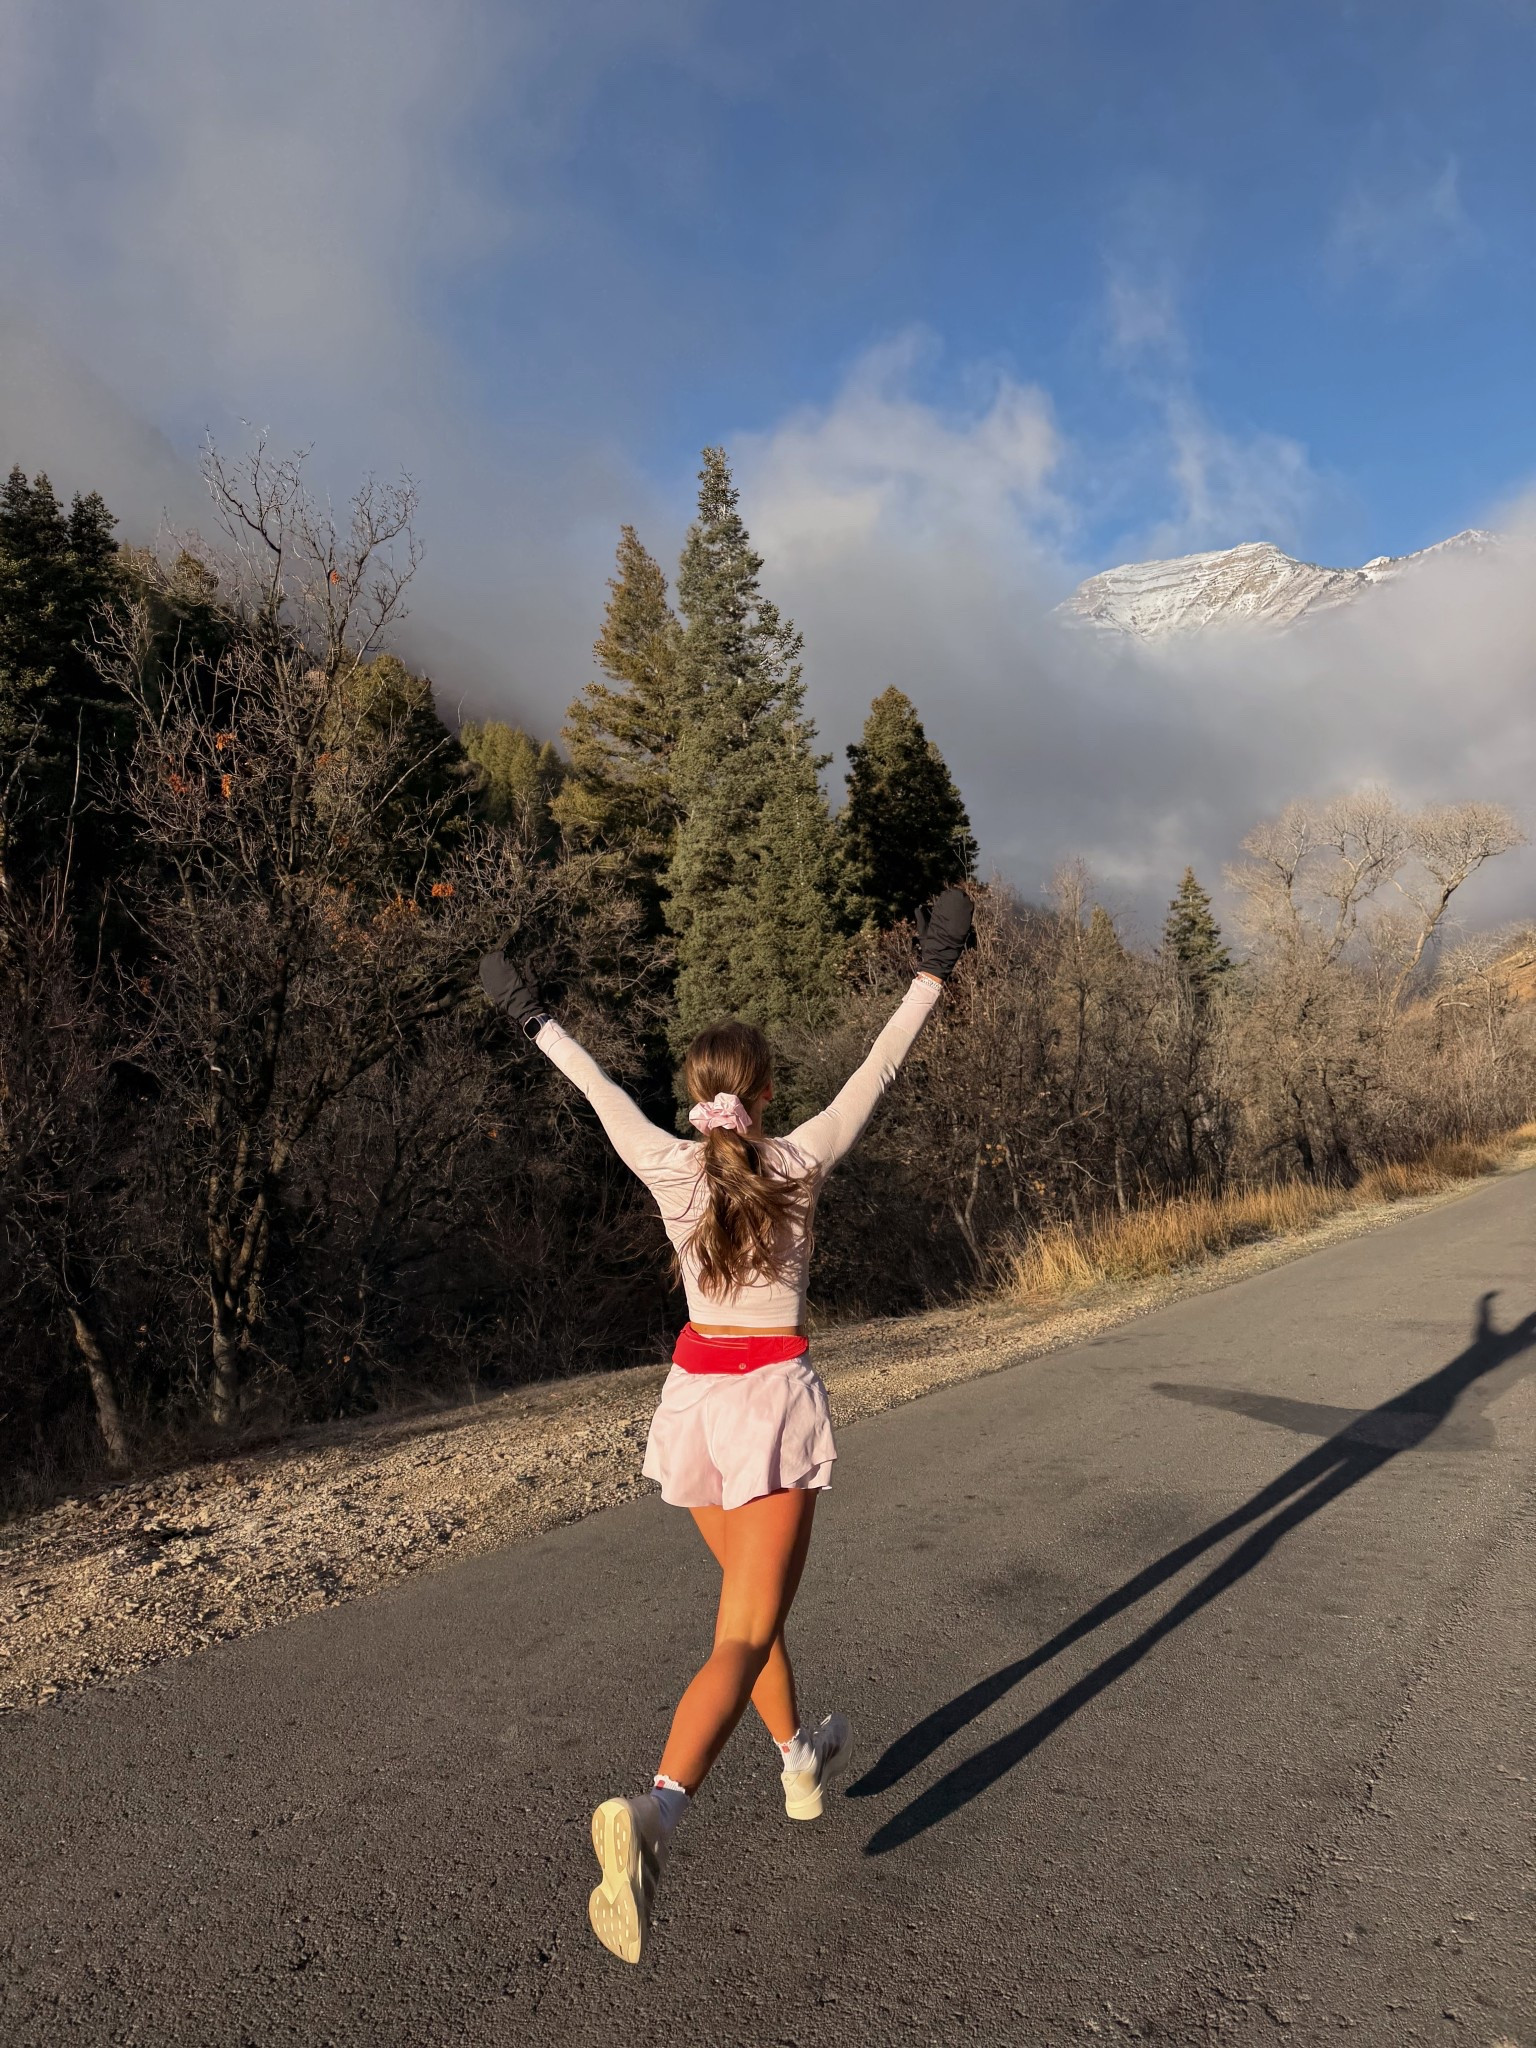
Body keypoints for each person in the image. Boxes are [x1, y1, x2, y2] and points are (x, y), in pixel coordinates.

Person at [479, 887, 974, 1965]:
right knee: (742, 1630)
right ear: (764, 1093)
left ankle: (798, 1759)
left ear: (697, 1096)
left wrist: (530, 1014)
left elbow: (594, 1085)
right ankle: (657, 1811)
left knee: (757, 1606)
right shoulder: (797, 1160)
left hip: (694, 1408)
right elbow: (881, 1066)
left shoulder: (667, 1163)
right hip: (771, 1408)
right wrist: (932, 968)